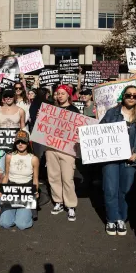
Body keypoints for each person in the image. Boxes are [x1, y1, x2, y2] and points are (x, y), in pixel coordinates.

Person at [100, 86, 136, 235]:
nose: (132, 98)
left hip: (129, 161)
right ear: (123, 96)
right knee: (110, 189)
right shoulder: (111, 113)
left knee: (125, 190)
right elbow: (99, 132)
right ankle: (111, 218)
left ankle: (121, 218)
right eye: (129, 95)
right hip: (111, 158)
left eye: (135, 96)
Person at [47, 85, 80, 221]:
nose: (60, 96)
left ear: (68, 95)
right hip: (51, 147)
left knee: (67, 178)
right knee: (53, 176)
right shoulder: (51, 110)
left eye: (62, 93)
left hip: (67, 149)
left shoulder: (74, 110)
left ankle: (70, 205)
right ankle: (58, 202)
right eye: (58, 93)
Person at [0, 89, 26, 212]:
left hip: (15, 148)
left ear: (14, 97)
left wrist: (26, 141)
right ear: (3, 98)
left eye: (11, 96)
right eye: (6, 96)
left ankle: (12, 200)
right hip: (0, 148)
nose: (8, 98)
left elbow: (23, 128)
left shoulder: (21, 111)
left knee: (14, 175)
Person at [0, 131, 40, 230]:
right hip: (11, 189)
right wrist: (1, 190)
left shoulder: (33, 159)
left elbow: (35, 179)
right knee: (5, 223)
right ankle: (12, 212)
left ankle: (22, 213)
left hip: (26, 190)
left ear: (28, 143)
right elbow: (6, 175)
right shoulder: (9, 156)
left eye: (23, 142)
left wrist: (35, 191)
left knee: (22, 225)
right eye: (18, 142)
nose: (20, 144)